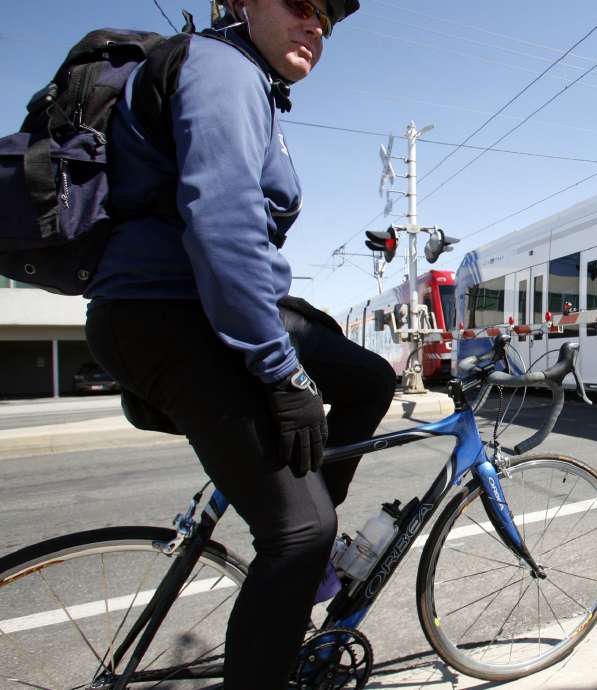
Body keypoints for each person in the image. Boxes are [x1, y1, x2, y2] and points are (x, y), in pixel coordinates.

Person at [83, 0, 396, 685]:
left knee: (370, 379)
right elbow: (220, 225)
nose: (317, 23)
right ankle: (301, 552)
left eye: (330, 18)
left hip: (195, 303)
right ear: (242, 4)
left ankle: (307, 566)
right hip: (166, 314)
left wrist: (306, 330)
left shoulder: (250, 80)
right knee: (298, 533)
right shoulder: (222, 70)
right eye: (300, 4)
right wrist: (284, 374)